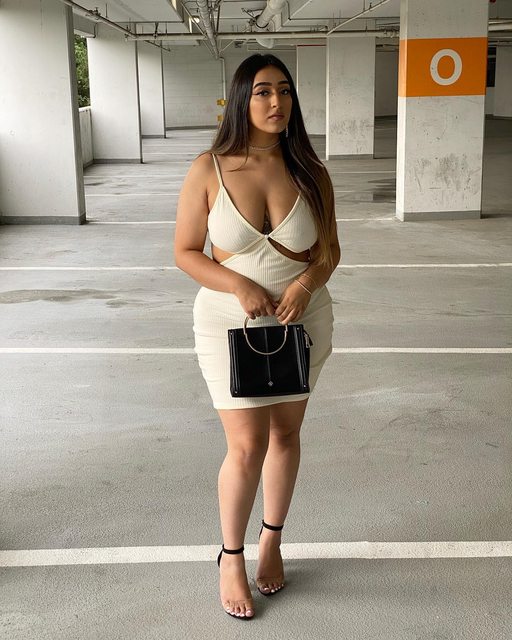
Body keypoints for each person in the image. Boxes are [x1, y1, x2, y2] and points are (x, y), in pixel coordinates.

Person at [175, 53, 340, 620]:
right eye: (264, 91)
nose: (277, 102)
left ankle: (272, 539)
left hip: (302, 320)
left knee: (287, 434)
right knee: (246, 445)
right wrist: (238, 284)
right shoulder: (209, 168)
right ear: (242, 99)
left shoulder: (311, 171)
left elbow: (329, 252)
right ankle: (231, 557)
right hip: (228, 322)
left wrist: (306, 284)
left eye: (285, 91)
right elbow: (186, 252)